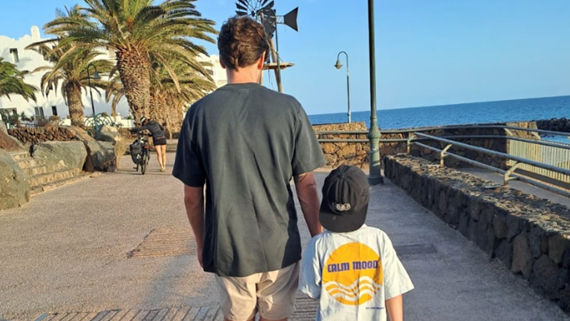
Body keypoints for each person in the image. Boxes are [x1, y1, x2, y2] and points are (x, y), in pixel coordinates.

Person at [172, 16, 326, 321]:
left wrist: (203, 245)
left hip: (229, 251)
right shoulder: (290, 108)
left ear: (221, 59)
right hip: (280, 248)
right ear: (263, 58)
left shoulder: (198, 114)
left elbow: (192, 196)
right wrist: (318, 239)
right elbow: (307, 186)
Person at [299, 165, 414, 321]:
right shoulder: (379, 239)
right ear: (365, 199)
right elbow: (393, 290)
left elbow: (312, 291)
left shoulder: (318, 244)